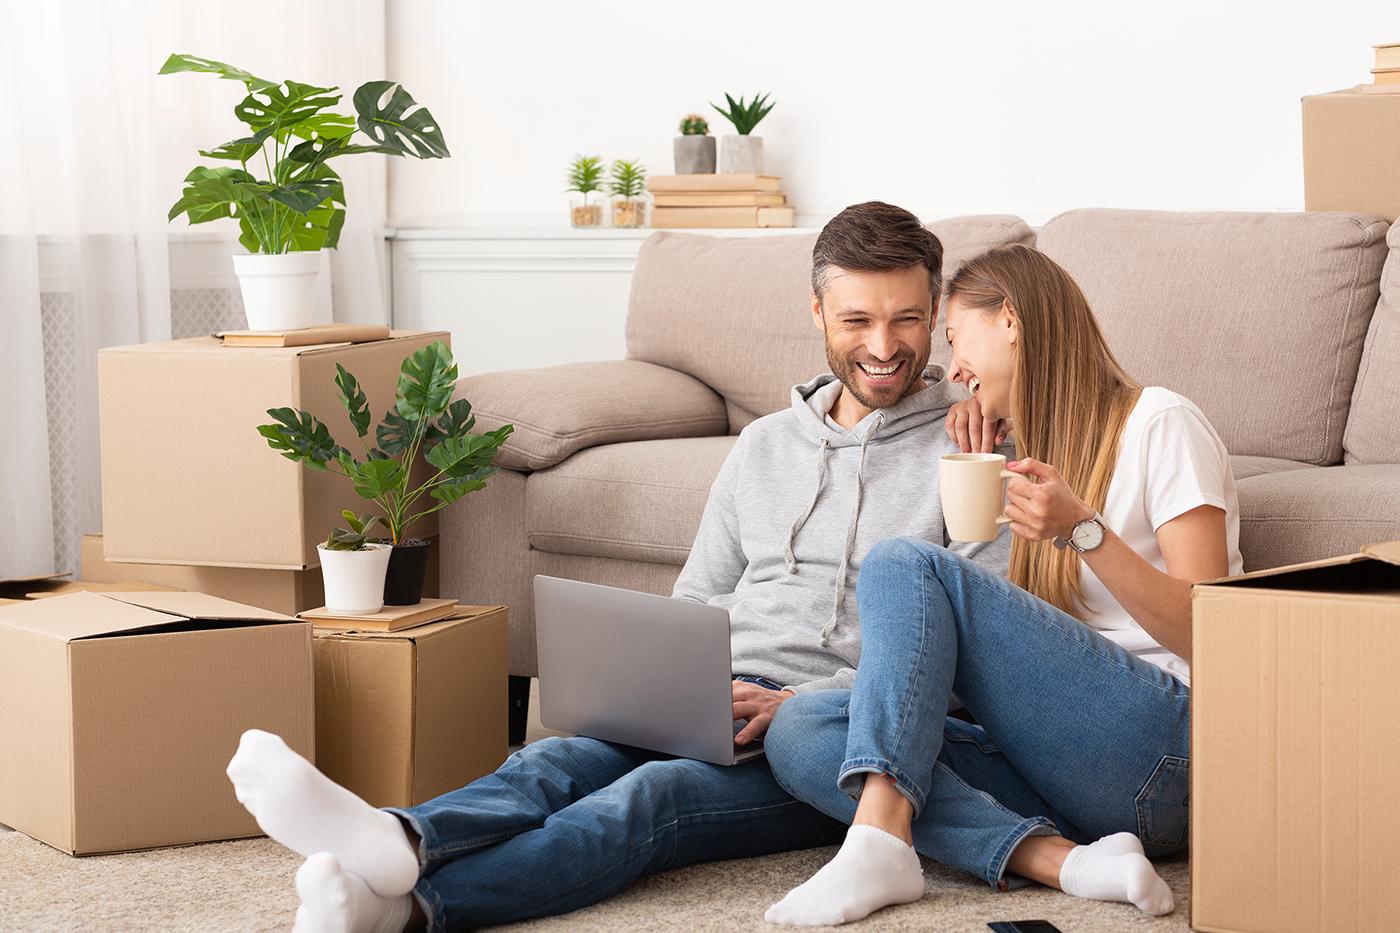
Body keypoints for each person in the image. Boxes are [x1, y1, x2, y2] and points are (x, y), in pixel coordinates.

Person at [221, 201, 1014, 932]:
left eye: (907, 319)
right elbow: (698, 596)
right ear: (816, 313)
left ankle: (412, 905)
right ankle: (399, 840)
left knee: (645, 799)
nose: (883, 346)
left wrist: (798, 702)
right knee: (553, 759)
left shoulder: (972, 448)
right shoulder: (766, 444)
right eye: (858, 319)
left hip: (832, 742)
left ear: (935, 313)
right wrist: (678, 692)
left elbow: (971, 650)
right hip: (712, 701)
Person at [760, 243, 1242, 926]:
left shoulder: (1160, 422)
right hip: (1070, 778)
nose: (954, 369)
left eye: (957, 337)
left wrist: (1084, 531)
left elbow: (1217, 635)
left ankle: (878, 843)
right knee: (802, 728)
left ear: (1010, 320)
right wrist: (988, 453)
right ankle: (1067, 862)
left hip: (1169, 751)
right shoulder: (1037, 453)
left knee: (903, 561)